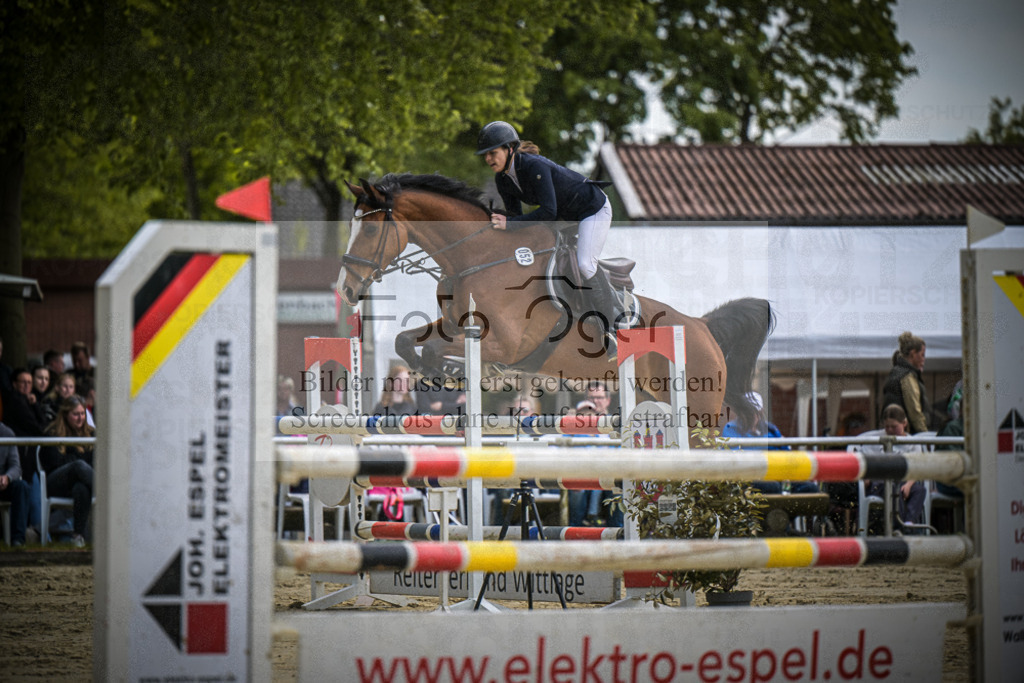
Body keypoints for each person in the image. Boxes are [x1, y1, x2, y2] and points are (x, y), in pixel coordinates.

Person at [477, 120, 620, 357]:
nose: (489, 159)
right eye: (486, 155)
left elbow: (548, 212)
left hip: (592, 209)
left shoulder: (534, 167)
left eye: (493, 153)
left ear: (510, 148)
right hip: (565, 215)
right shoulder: (502, 179)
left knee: (585, 264)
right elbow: (516, 218)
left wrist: (509, 224)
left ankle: (612, 327)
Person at [721, 392, 820, 496]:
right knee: (773, 486)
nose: (752, 416)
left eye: (755, 412)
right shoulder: (731, 429)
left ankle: (796, 510)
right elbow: (734, 460)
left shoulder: (770, 429)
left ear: (760, 412)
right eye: (748, 412)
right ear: (741, 412)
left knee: (810, 487)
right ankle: (780, 510)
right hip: (750, 477)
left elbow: (787, 452)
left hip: (778, 474)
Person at [39, 395, 95, 546]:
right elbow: (53, 462)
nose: (80, 418)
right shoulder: (52, 433)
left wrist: (73, 462)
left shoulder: (92, 435)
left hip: (81, 483)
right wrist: (75, 463)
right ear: (65, 415)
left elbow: (98, 462)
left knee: (81, 488)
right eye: (75, 414)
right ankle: (108, 492)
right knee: (79, 466)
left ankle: (78, 537)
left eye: (82, 413)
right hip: (56, 482)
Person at [863, 404, 926, 534]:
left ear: (904, 423)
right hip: (880, 483)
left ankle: (909, 523)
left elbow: (917, 468)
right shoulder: (875, 439)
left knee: (920, 490)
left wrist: (909, 485)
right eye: (887, 427)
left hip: (903, 481)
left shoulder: (912, 442)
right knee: (892, 489)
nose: (890, 430)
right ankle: (901, 529)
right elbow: (865, 461)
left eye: (894, 427)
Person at [882, 331, 930, 434]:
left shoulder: (895, 372)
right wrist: (924, 435)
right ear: (913, 354)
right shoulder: (907, 376)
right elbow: (914, 412)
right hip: (907, 435)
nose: (924, 359)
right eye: (922, 355)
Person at [0, 421, 31, 547]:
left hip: (2, 484)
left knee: (22, 487)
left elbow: (16, 466)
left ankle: (18, 540)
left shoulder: (7, 433)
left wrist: (7, 477)